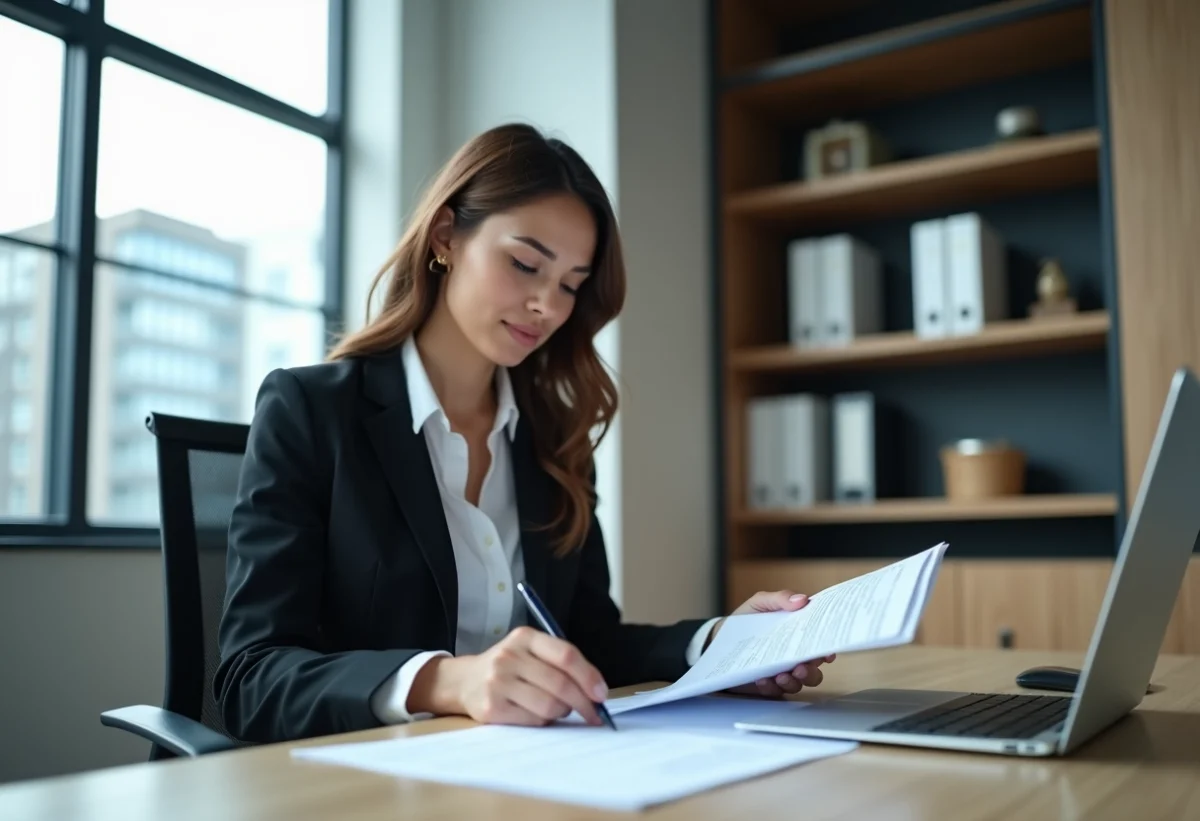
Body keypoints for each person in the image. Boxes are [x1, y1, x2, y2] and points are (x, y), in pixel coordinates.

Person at [213, 122, 833, 744]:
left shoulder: (553, 439)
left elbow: (588, 643)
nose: (548, 305)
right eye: (525, 263)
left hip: (520, 776)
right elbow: (252, 677)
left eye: (570, 284)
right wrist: (451, 682)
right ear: (446, 237)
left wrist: (723, 645)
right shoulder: (311, 411)